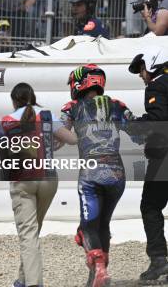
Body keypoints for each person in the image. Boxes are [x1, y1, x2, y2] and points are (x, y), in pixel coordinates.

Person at [62, 64, 138, 287]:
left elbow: (58, 135)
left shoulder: (72, 107)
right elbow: (138, 132)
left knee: (88, 226)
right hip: (117, 173)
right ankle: (97, 276)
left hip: (91, 173)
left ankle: (100, 269)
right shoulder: (117, 105)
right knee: (103, 223)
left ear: (78, 83)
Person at [0, 83, 77, 287]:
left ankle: (33, 283)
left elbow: (2, 155)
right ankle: (22, 279)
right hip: (49, 180)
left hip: (22, 181)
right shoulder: (47, 116)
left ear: (14, 101)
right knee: (32, 231)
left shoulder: (6, 122)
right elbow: (71, 140)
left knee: (28, 234)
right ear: (32, 97)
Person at [128, 47, 168, 282]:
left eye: (142, 70)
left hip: (164, 158)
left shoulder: (157, 86)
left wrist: (133, 125)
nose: (141, 76)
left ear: (152, 65)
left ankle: (159, 261)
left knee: (150, 206)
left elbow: (159, 120)